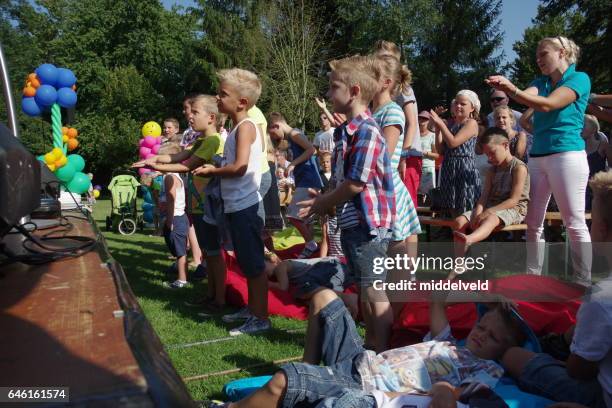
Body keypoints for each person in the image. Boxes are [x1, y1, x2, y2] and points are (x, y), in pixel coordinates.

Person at [216, 286, 528, 408]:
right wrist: (488, 297)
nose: (482, 335)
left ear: (504, 349)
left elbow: (463, 397)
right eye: (482, 326)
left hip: (364, 383)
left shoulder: (488, 370)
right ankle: (310, 372)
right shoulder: (447, 340)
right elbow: (439, 296)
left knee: (284, 380)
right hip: (361, 359)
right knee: (324, 297)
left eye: (494, 337)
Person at [298, 54, 394, 353]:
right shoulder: (345, 133)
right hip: (354, 225)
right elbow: (341, 179)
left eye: (333, 87)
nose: (328, 94)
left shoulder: (367, 131)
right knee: (366, 287)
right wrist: (326, 198)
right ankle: (372, 344)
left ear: (353, 91)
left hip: (370, 226)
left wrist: (323, 202)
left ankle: (378, 348)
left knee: (373, 289)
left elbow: (356, 183)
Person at [501, 170, 612, 408]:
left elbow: (579, 370)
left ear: (601, 229)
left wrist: (568, 352)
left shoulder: (602, 299)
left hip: (601, 395)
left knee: (513, 356)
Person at [486, 35, 592, 284]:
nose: (538, 59)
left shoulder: (579, 78)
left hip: (567, 156)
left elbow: (547, 105)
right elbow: (526, 97)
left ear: (562, 53)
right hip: (539, 158)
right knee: (533, 221)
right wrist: (512, 90)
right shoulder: (540, 81)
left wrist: (511, 89)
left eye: (543, 54)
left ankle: (583, 281)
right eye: (537, 56)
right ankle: (533, 277)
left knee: (573, 222)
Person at [192, 68, 270, 336]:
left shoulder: (246, 127)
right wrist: (218, 163)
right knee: (247, 262)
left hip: (245, 207)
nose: (218, 96)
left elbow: (240, 166)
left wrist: (213, 171)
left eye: (223, 93)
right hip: (236, 206)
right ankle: (253, 309)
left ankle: (261, 318)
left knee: (254, 264)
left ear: (242, 102)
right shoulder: (238, 127)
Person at [133, 95, 227, 308]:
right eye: (190, 112)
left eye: (195, 112)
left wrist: (156, 168)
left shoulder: (213, 141)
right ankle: (211, 295)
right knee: (208, 253)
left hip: (209, 206)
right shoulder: (202, 140)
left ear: (211, 117)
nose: (190, 116)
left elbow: (186, 165)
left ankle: (219, 298)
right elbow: (178, 157)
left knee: (213, 254)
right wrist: (153, 159)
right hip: (199, 205)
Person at [453, 128, 529, 269]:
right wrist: (478, 211)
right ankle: (459, 263)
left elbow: (513, 200)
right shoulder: (492, 170)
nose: (489, 159)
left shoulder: (518, 167)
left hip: (514, 208)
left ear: (505, 145)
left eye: (492, 153)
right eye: (487, 155)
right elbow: (484, 195)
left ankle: (469, 240)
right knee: (459, 222)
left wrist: (487, 212)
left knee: (491, 219)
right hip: (492, 206)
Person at [268, 112, 323, 258]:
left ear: (276, 125)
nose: (273, 137)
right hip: (304, 181)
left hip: (309, 180)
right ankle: (311, 246)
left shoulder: (294, 134)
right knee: (303, 218)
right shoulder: (291, 138)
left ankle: (311, 244)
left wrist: (292, 164)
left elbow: (311, 149)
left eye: (272, 132)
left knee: (293, 216)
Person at [430, 90, 482, 217]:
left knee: (464, 207)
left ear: (472, 108)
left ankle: (465, 235)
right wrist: (438, 129)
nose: (458, 106)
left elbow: (453, 142)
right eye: (456, 103)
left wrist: (441, 124)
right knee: (452, 207)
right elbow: (441, 150)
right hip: (449, 166)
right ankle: (456, 235)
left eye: (463, 104)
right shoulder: (454, 125)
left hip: (463, 167)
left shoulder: (471, 123)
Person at [156, 143, 190, 289]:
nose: (157, 163)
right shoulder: (174, 176)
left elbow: (171, 199)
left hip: (175, 217)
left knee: (180, 251)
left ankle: (182, 279)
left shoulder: (170, 177)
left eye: (160, 160)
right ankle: (180, 274)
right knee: (178, 249)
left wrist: (169, 221)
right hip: (178, 216)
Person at [582, 114, 609, 210]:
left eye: (583, 125)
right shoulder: (576, 144)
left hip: (597, 188)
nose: (580, 128)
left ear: (593, 128)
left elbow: (610, 166)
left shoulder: (602, 142)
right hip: (582, 187)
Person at [418, 110, 439, 197]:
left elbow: (437, 155)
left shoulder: (432, 135)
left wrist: (425, 153)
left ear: (429, 120)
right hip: (416, 167)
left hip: (427, 168)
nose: (422, 120)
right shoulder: (414, 134)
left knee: (429, 196)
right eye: (420, 118)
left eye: (425, 119)